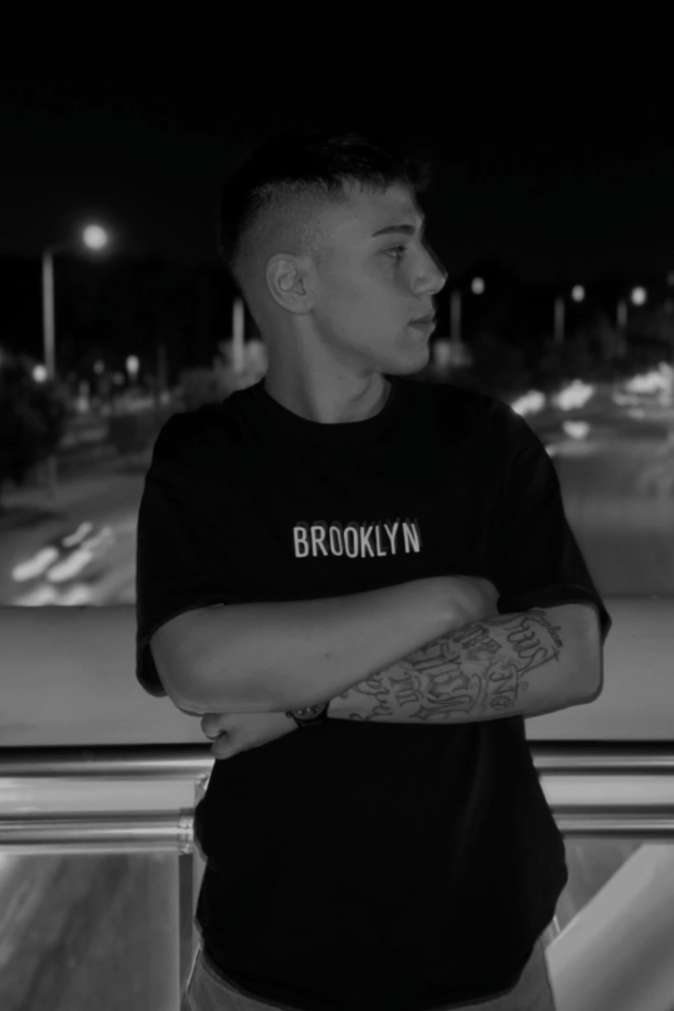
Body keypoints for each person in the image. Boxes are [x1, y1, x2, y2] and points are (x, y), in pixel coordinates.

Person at [135, 130, 612, 1011]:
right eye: (395, 250)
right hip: (263, 972)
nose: (433, 274)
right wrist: (446, 599)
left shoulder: (484, 442)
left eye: (423, 242)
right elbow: (197, 665)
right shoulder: (205, 456)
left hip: (487, 972)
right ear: (294, 283)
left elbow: (570, 656)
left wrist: (302, 699)